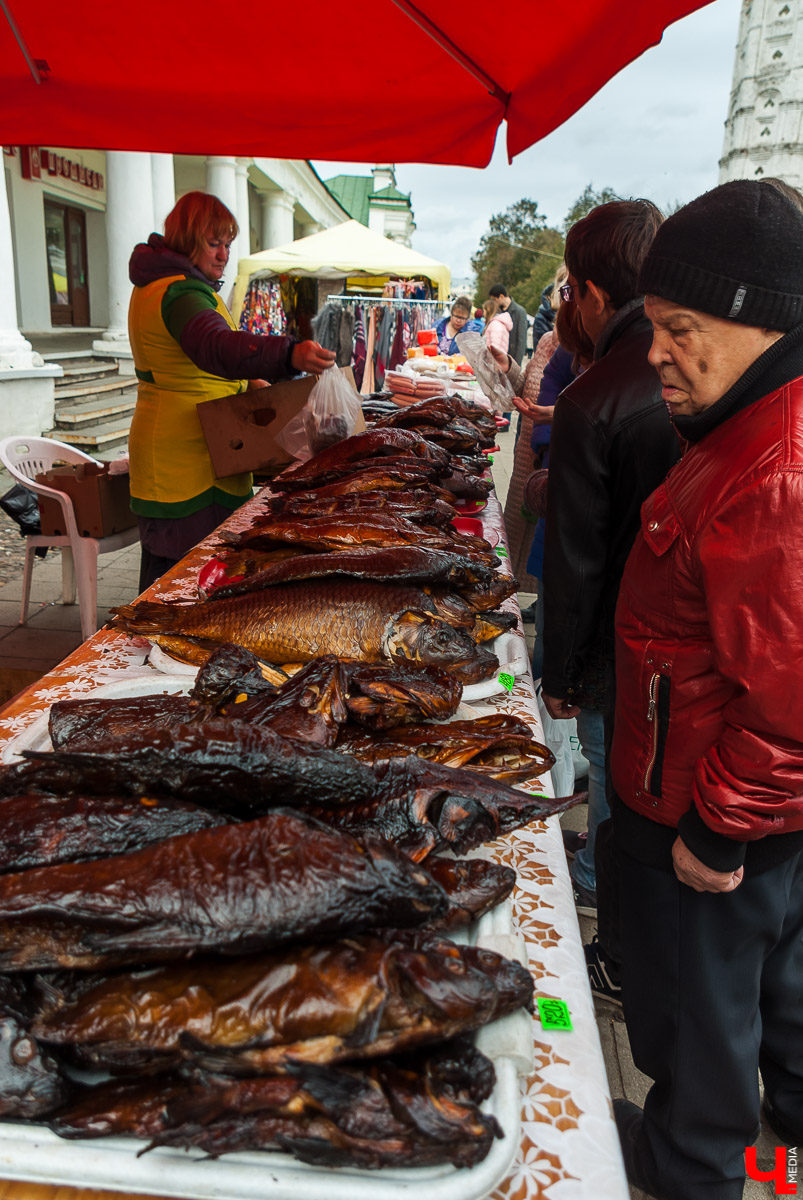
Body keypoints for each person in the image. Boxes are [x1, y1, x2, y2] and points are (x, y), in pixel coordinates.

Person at [609, 179, 803, 1200]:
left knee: (703, 1023)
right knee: (744, 1006)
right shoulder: (742, 423)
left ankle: (696, 1173)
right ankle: (752, 1161)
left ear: (759, 322)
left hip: (706, 818)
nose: (654, 352)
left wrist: (714, 832)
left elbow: (788, 704)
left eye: (680, 328)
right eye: (653, 326)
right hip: (707, 797)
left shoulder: (775, 469)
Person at [538, 200, 680, 928]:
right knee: (641, 780)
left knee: (618, 772)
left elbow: (575, 558)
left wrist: (558, 673)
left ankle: (603, 895)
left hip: (620, 643)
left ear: (590, 294)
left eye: (569, 292)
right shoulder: (689, 367)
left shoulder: (595, 395)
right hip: (680, 640)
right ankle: (603, 871)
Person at [127, 191, 335, 591]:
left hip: (212, 446)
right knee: (177, 581)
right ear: (187, 239)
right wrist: (288, 353)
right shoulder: (178, 293)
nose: (223, 254)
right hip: (183, 460)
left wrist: (254, 386)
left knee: (206, 573)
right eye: (213, 243)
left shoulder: (185, 287)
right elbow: (215, 348)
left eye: (227, 244)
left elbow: (203, 360)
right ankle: (150, 649)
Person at [488, 284, 528, 364]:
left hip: (512, 358)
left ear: (501, 296)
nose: (494, 302)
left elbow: (522, 339)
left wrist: (517, 363)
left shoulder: (520, 312)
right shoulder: (498, 311)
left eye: (495, 299)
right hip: (499, 360)